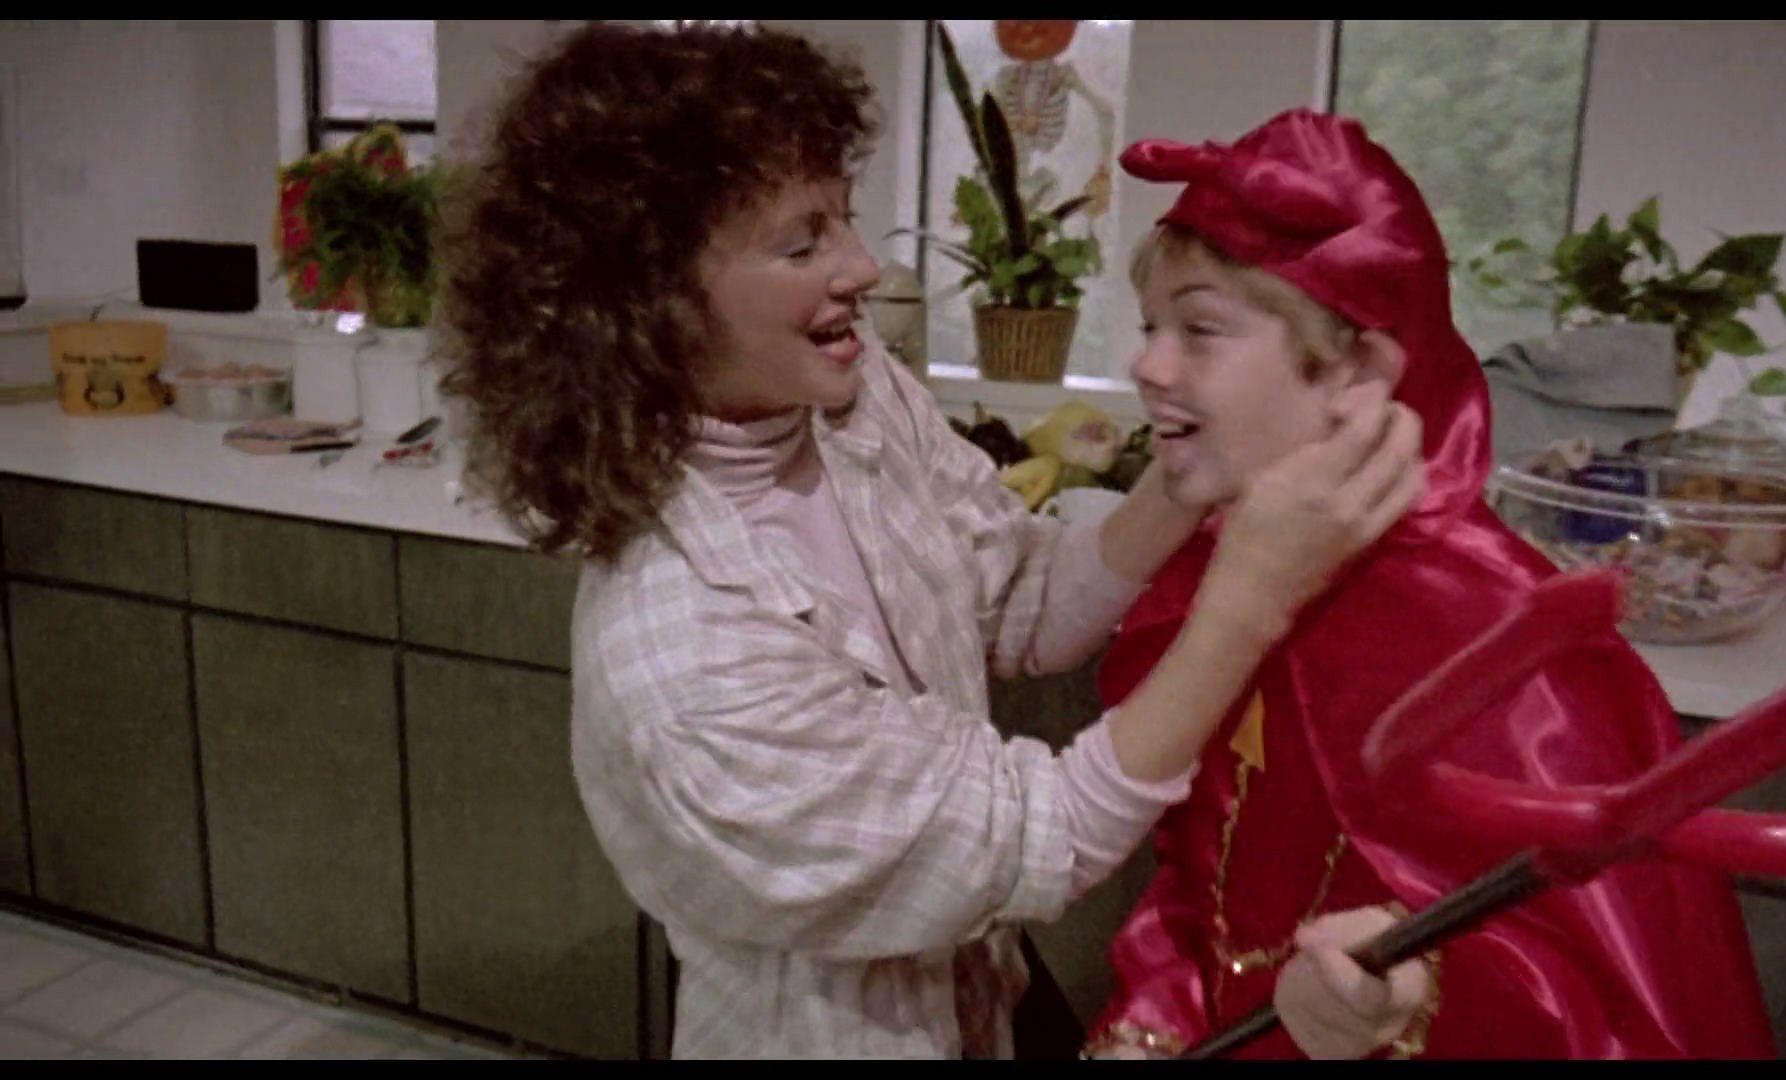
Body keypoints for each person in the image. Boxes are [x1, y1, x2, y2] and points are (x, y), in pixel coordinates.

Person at [431, 23, 1431, 1059]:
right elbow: (1040, 832)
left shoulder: (855, 401)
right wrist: (1251, 594)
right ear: (648, 305)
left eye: (846, 218)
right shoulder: (686, 654)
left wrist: (1183, 480)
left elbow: (1019, 602)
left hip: (988, 992)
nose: (863, 268)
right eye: (803, 243)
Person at [1080, 107, 1779, 1060]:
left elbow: (1604, 995)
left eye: (1199, 329)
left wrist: (1412, 998)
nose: (1148, 365)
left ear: (1360, 371)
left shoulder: (1499, 641)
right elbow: (1203, 872)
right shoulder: (1226, 575)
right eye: (1150, 327)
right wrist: (1153, 1019)